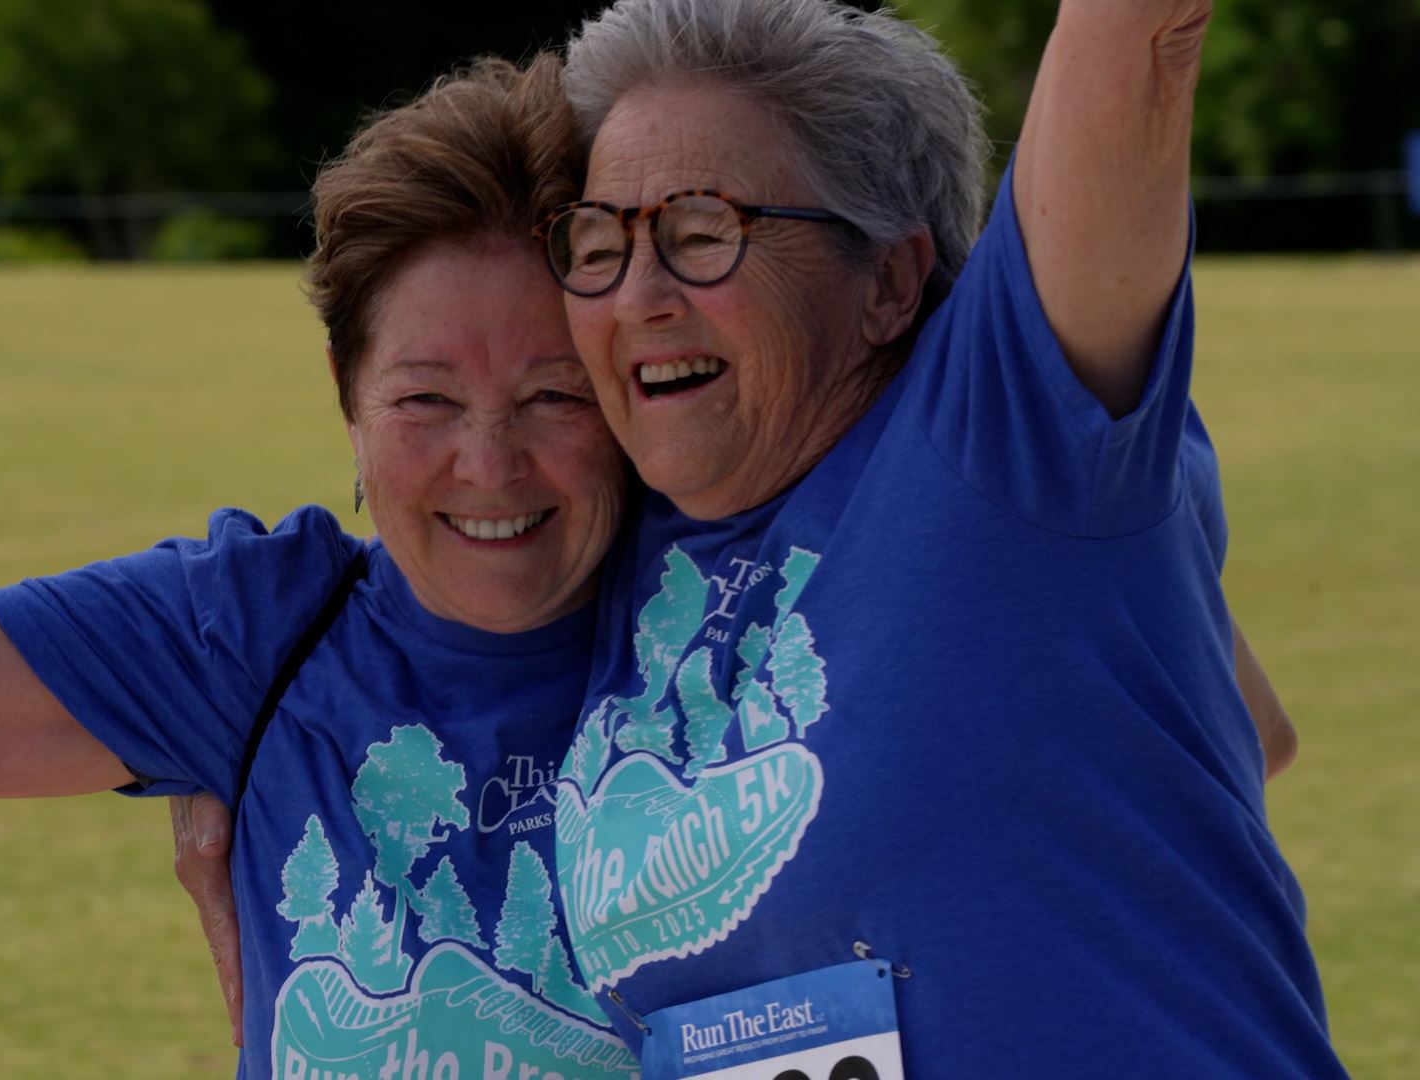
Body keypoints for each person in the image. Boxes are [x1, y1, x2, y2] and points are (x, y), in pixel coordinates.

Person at [0, 57, 645, 1078]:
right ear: (345, 396)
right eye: (425, 400)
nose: (490, 464)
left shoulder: (748, 613)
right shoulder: (261, 633)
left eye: (557, 396)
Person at [531, 0, 1345, 1075]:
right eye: (599, 242)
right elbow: (1255, 728)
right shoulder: (615, 543)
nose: (638, 295)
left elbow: (1133, 27)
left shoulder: (1001, 436)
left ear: (889, 281)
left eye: (701, 234)